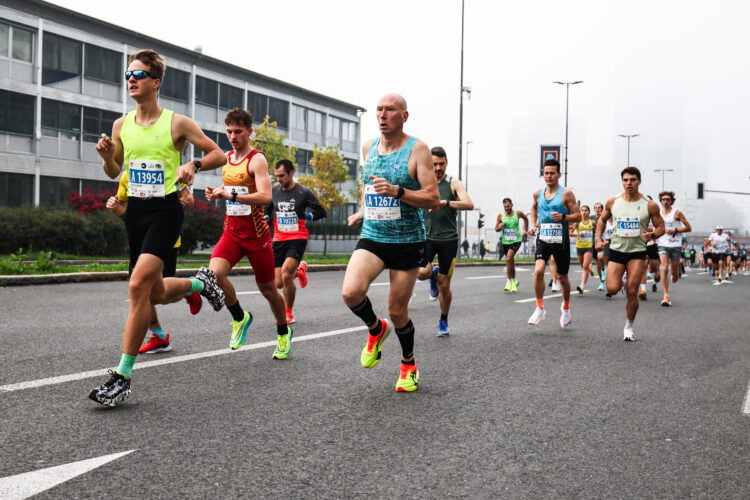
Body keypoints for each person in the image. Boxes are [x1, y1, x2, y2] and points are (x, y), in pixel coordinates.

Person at [90, 49, 227, 406]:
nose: (131, 79)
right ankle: (201, 282)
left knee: (137, 286)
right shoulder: (122, 125)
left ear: (156, 82)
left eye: (138, 74)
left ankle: (122, 376)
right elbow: (114, 171)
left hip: (166, 211)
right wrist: (107, 157)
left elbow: (219, 154)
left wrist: (193, 165)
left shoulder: (176, 123)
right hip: (136, 212)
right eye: (128, 75)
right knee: (154, 293)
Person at [342, 93, 439, 392]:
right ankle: (375, 328)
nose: (382, 115)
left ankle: (408, 363)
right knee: (350, 292)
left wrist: (398, 191)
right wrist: (362, 209)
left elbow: (432, 198)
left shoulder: (418, 149)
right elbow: (368, 184)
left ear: (404, 116)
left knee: (397, 311)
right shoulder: (368, 147)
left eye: (390, 110)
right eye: (379, 110)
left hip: (407, 240)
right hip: (373, 234)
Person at [205, 108, 292, 359]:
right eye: (229, 131)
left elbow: (265, 197)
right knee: (214, 275)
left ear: (249, 132)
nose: (233, 136)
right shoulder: (226, 158)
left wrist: (229, 194)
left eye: (238, 132)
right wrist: (218, 191)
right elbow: (233, 186)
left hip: (256, 236)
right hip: (231, 232)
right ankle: (240, 317)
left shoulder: (257, 160)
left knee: (267, 289)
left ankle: (283, 332)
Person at [105, 172, 203, 354]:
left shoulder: (166, 170)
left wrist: (163, 211)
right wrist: (115, 206)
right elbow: (126, 213)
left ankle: (189, 288)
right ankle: (158, 336)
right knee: (141, 291)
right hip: (140, 242)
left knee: (160, 295)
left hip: (166, 240)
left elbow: (188, 200)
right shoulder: (127, 176)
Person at [595, 166, 665, 341]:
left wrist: (653, 234)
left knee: (633, 291)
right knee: (612, 288)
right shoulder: (613, 201)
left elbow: (661, 227)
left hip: (637, 252)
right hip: (617, 250)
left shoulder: (649, 204)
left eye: (633, 180)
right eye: (626, 180)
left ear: (639, 181)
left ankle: (629, 326)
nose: (629, 183)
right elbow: (602, 220)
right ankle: (623, 281)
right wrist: (597, 238)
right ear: (622, 182)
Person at [415, 146, 473, 336]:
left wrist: (446, 203)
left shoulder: (453, 183)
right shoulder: (422, 182)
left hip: (449, 240)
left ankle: (443, 320)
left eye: (441, 164)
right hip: (427, 238)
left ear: (446, 162)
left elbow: (468, 204)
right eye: (434, 164)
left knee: (445, 286)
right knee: (420, 273)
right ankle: (432, 275)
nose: (438, 168)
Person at [267, 159, 326, 324]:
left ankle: (289, 312)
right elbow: (269, 208)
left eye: (282, 176)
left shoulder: (303, 192)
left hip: (298, 237)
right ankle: (300, 271)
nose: (279, 179)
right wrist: (266, 218)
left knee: (286, 274)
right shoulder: (273, 191)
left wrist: (309, 216)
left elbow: (321, 211)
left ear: (291, 173)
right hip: (279, 238)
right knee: (279, 283)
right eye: (277, 176)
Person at [527, 158, 581, 327]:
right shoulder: (538, 193)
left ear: (559, 174)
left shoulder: (566, 194)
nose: (549, 176)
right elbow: (534, 207)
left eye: (552, 173)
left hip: (561, 240)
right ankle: (539, 308)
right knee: (538, 271)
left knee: (563, 277)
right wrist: (534, 223)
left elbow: (578, 215)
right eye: (546, 173)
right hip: (543, 237)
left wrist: (565, 217)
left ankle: (565, 307)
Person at [655, 191, 692, 306]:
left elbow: (689, 228)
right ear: (660, 201)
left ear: (671, 201)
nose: (665, 201)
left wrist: (675, 230)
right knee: (664, 268)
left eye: (667, 199)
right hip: (663, 243)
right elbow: (655, 227)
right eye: (663, 199)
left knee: (674, 273)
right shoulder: (657, 213)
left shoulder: (677, 213)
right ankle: (666, 296)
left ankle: (676, 273)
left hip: (675, 245)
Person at [495, 198, 528, 292]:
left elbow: (526, 218)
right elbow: (496, 228)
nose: (506, 208)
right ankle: (514, 281)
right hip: (505, 242)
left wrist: (525, 231)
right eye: (505, 207)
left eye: (508, 206)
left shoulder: (518, 213)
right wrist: (499, 227)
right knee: (510, 262)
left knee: (509, 258)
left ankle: (508, 281)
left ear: (512, 205)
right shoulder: (500, 216)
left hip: (516, 240)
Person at [570, 205, 595, 294]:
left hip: (588, 247)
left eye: (586, 210)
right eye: (582, 210)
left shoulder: (592, 223)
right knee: (583, 266)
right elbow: (570, 233)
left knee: (584, 267)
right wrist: (578, 235)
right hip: (579, 247)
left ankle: (582, 286)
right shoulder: (577, 223)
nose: (584, 212)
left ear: (589, 212)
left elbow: (598, 231)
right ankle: (589, 267)